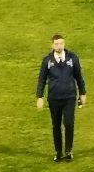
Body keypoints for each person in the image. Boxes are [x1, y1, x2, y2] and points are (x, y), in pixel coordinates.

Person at [36, 33, 86, 163]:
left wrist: (82, 93)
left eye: (61, 44)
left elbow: (79, 77)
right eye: (57, 44)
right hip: (54, 98)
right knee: (56, 125)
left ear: (64, 44)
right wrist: (40, 96)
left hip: (69, 97)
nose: (59, 46)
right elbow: (42, 79)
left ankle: (68, 151)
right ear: (52, 45)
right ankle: (58, 152)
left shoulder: (72, 58)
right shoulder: (47, 61)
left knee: (69, 124)